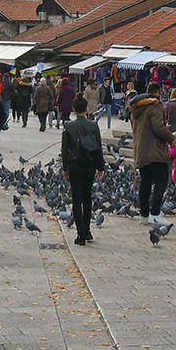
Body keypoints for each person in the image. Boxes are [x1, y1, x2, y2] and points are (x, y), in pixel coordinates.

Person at [128, 82, 176, 224]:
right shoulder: (154, 106)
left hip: (141, 150)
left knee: (146, 182)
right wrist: (171, 138)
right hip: (155, 150)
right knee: (162, 180)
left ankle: (144, 215)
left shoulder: (135, 108)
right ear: (157, 93)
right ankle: (155, 213)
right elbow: (158, 127)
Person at [61, 97, 106, 245]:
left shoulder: (68, 126)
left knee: (77, 199)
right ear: (86, 109)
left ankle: (80, 234)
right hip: (89, 164)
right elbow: (99, 147)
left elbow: (65, 150)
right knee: (87, 198)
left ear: (74, 110)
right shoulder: (93, 126)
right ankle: (87, 231)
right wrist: (101, 167)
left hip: (74, 165)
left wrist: (65, 168)